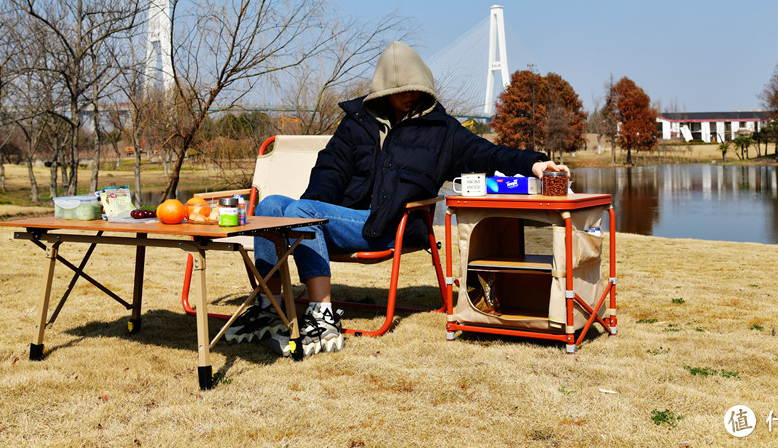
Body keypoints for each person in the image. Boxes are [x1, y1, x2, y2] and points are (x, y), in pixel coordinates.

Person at [223, 40, 569, 357]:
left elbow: (490, 156)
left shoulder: (441, 131)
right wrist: (305, 220)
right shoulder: (356, 124)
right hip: (343, 218)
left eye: (416, 90)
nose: (409, 96)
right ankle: (270, 307)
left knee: (301, 211)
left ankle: (323, 317)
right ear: (383, 90)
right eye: (401, 91)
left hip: (389, 224)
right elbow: (329, 173)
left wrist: (534, 163)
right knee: (271, 206)